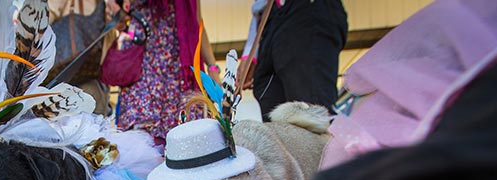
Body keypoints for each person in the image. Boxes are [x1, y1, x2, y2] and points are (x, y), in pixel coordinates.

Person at [105, 0, 221, 144]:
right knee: (141, 141)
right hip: (143, 69)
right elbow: (120, 17)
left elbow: (196, 23)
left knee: (188, 138)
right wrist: (118, 17)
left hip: (180, 70)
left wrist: (212, 68)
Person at [237, 0, 348, 120]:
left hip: (306, 11)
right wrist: (251, 51)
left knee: (311, 116)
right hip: (268, 20)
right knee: (272, 124)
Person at [47, 0, 116, 116]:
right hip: (88, 87)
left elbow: (39, 25)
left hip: (71, 87)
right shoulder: (105, 6)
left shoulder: (108, 6)